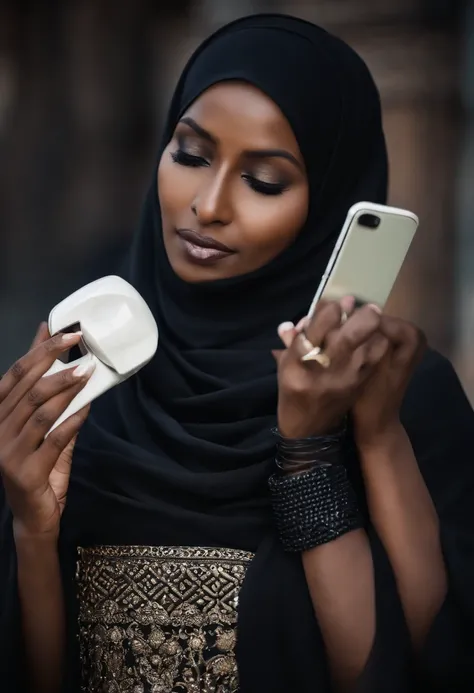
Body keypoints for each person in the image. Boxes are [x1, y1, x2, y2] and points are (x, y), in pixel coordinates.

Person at [1, 13, 473, 693]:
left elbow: (417, 671)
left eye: (265, 181)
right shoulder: (83, 375)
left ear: (330, 202)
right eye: (189, 154)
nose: (208, 205)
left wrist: (313, 449)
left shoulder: (398, 395)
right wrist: (31, 528)